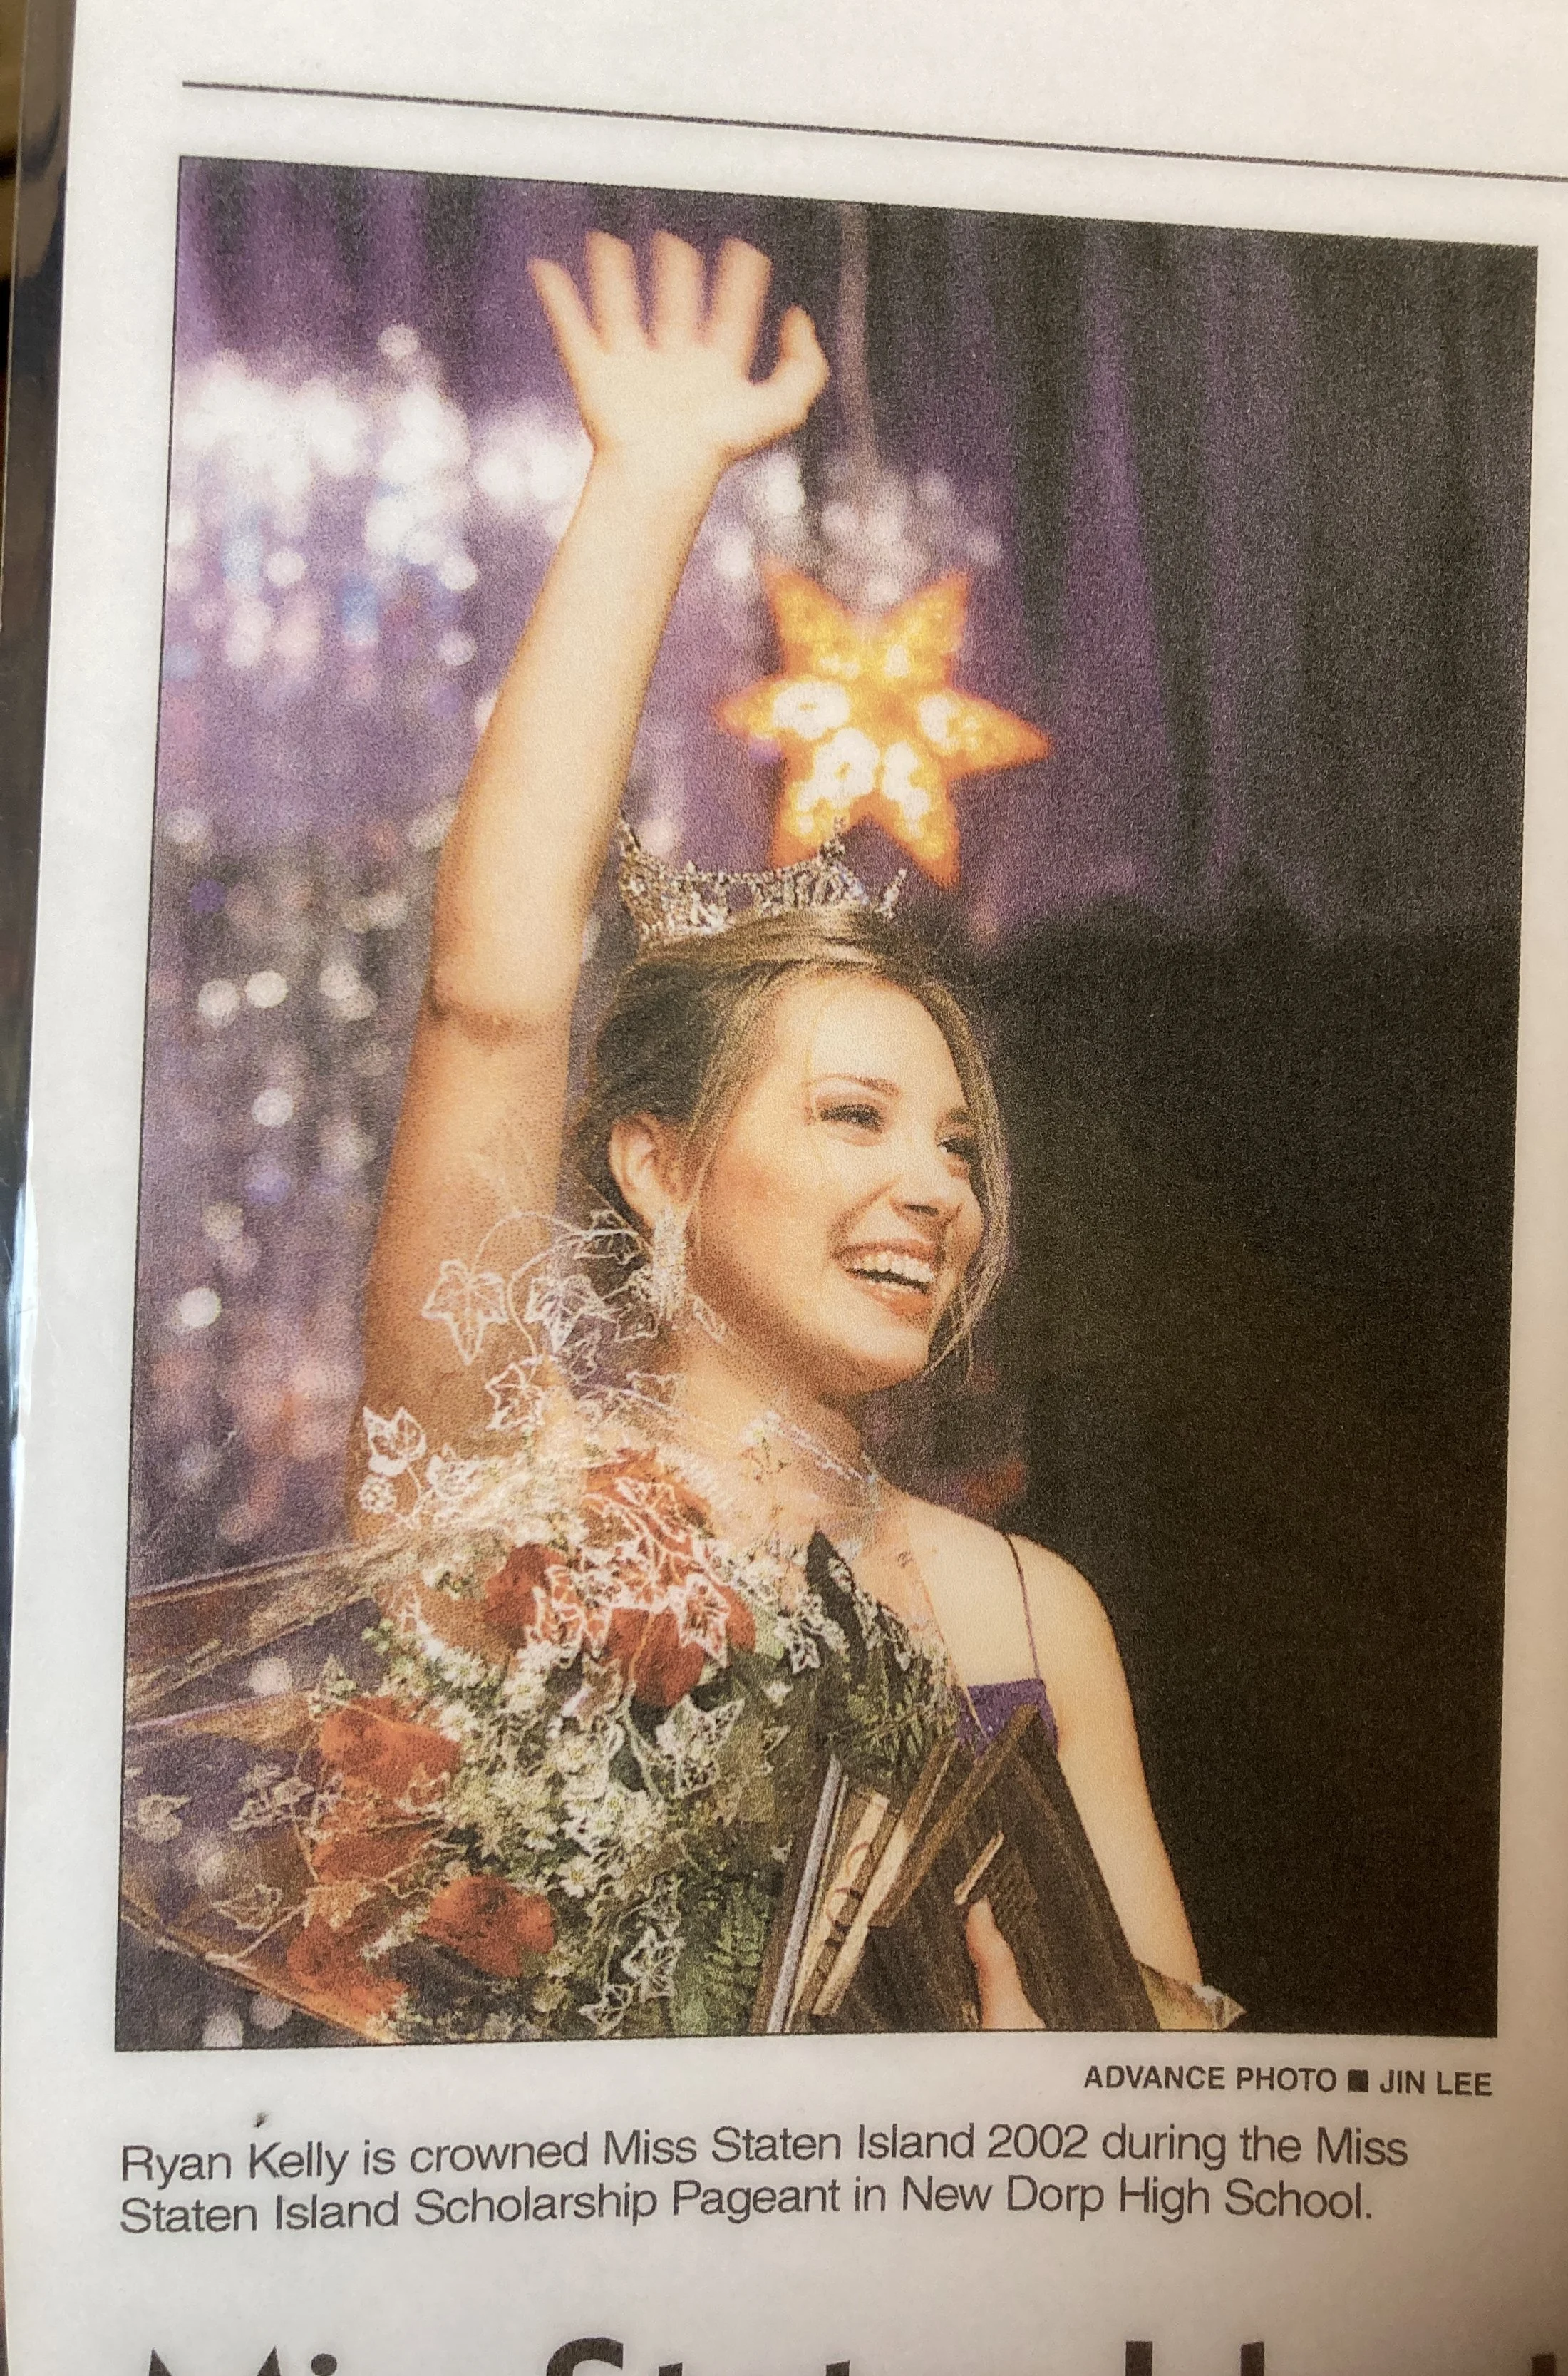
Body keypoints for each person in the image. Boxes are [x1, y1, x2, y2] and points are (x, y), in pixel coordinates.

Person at [124, 232, 1230, 2043]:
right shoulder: (500, 1492)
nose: (933, 1186)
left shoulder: (1032, 1610)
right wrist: (649, 485)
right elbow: (490, 994)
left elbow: (1189, 2119)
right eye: (854, 1116)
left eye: (956, 1142)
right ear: (656, 1164)